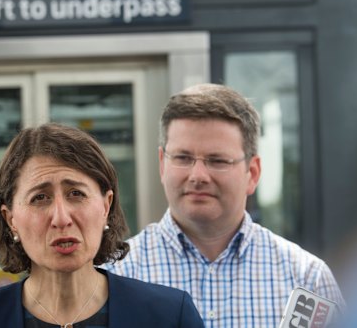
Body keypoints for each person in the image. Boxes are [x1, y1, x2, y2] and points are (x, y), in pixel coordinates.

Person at [105, 83, 344, 328]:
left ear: (252, 173)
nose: (198, 175)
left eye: (217, 160)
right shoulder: (114, 275)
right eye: (183, 158)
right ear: (162, 165)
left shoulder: (307, 279)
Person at [0, 123, 204, 327]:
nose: (61, 218)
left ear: (105, 206)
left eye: (76, 193)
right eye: (40, 198)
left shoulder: (170, 315)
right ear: (10, 220)